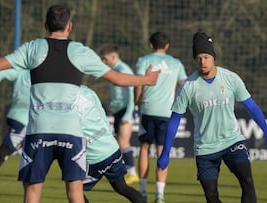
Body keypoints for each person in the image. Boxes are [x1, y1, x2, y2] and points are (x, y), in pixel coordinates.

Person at [0, 5, 159, 203]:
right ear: (69, 26)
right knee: (75, 195)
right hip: (71, 135)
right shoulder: (80, 52)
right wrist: (147, 80)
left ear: (46, 25)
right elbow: (118, 79)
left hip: (39, 132)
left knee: (33, 194)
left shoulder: (33, 48)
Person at [157, 32, 267, 203]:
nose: (202, 61)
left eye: (206, 57)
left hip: (232, 141)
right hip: (205, 148)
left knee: (247, 182)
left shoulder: (230, 78)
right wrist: (166, 153)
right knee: (211, 196)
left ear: (213, 57)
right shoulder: (188, 87)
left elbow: (251, 106)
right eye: (199, 57)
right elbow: (175, 120)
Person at [134, 31, 187, 203]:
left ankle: (142, 191)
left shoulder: (143, 60)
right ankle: (160, 194)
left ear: (151, 45)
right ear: (167, 46)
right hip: (167, 112)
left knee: (144, 148)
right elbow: (184, 85)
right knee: (162, 151)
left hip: (148, 110)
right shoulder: (176, 63)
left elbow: (139, 84)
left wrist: (137, 101)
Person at [76, 85, 144, 203]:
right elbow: (102, 114)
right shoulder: (87, 90)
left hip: (94, 156)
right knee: (122, 187)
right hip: (112, 148)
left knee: (75, 190)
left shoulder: (65, 97)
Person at [99, 44, 139, 185]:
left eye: (105, 59)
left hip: (126, 111)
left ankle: (132, 173)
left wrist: (128, 114)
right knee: (119, 142)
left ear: (114, 56)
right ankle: (126, 171)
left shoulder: (123, 70)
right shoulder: (114, 70)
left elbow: (131, 92)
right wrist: (113, 106)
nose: (104, 62)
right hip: (119, 111)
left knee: (123, 142)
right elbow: (118, 95)